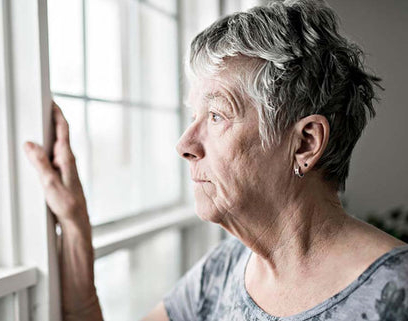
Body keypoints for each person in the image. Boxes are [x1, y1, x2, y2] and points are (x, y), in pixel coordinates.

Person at [23, 0, 408, 320]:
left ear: (305, 143)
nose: (185, 144)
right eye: (193, 116)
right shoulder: (223, 271)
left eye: (217, 115)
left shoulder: (396, 294)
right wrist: (74, 225)